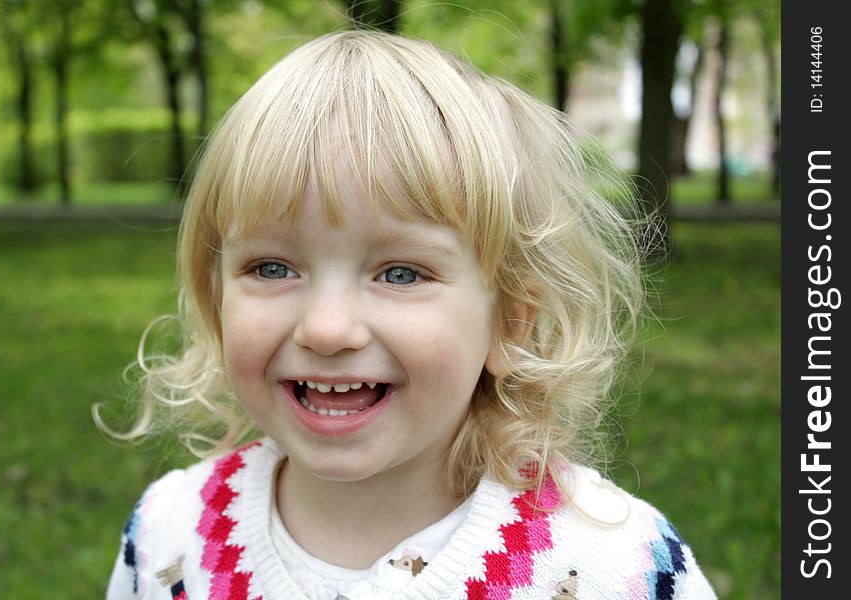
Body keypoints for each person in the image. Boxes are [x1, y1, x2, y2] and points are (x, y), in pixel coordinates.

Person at [102, 30, 717, 600]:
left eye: (401, 273)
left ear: (511, 323)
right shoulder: (167, 541)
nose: (326, 328)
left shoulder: (620, 567)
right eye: (271, 268)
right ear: (216, 302)